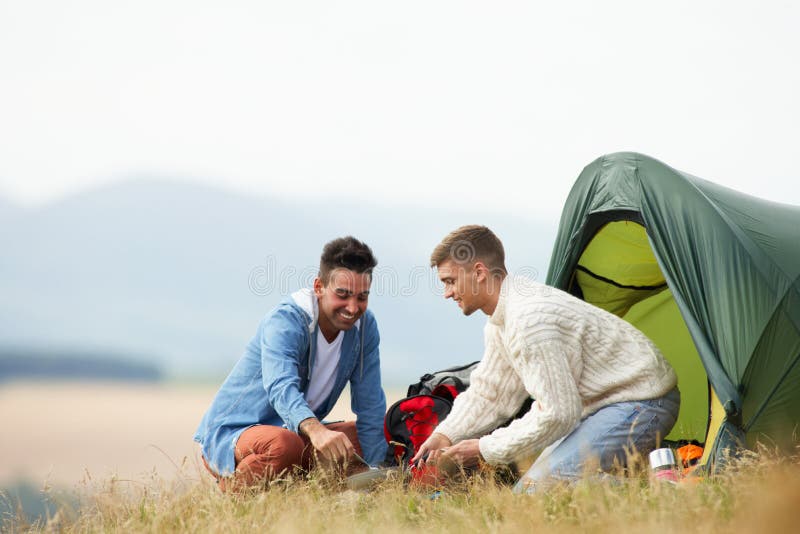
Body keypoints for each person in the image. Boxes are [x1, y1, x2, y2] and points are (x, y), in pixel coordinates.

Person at [412, 225, 679, 492]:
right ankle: (653, 472)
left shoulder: (529, 319)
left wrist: (483, 448)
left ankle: (668, 492)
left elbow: (558, 414)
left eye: (450, 281)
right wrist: (445, 435)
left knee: (534, 491)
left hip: (642, 402)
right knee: (527, 488)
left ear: (479, 272)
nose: (447, 293)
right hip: (604, 407)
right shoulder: (501, 320)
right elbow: (491, 394)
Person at [194, 236, 387, 490]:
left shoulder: (365, 327)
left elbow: (370, 403)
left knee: (360, 439)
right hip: (235, 432)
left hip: (295, 431)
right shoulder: (286, 319)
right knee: (285, 445)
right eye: (343, 295)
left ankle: (310, 501)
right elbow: (280, 386)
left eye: (362, 297)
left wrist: (377, 471)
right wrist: (317, 431)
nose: (353, 307)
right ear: (319, 287)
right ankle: (234, 500)